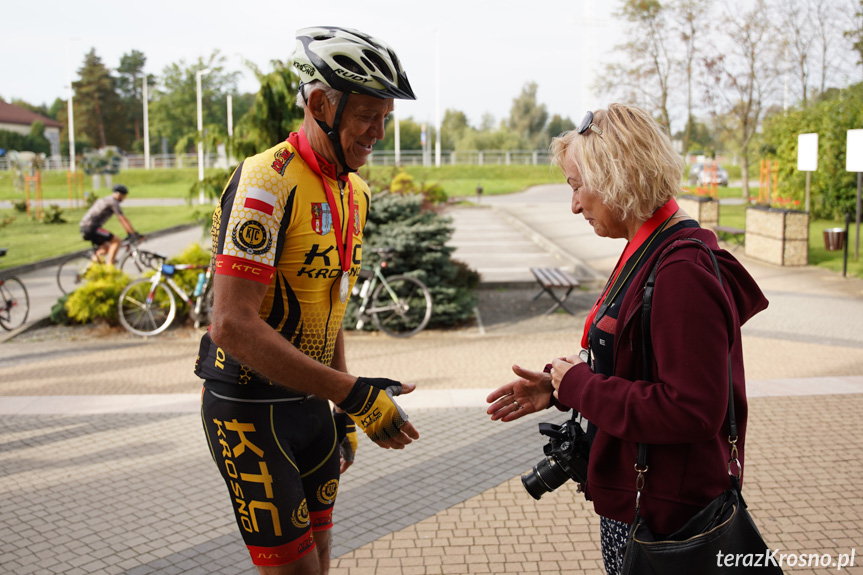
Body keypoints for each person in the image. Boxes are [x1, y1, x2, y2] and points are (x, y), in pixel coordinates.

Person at [486, 104, 768, 575]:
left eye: (577, 185)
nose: (574, 205)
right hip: (649, 503)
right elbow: (642, 362)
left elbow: (691, 409)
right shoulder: (650, 248)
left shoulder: (679, 270)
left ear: (618, 176)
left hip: (668, 520)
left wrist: (580, 387)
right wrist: (558, 385)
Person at [195, 26, 420, 575]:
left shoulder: (354, 189)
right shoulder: (265, 181)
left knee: (320, 564)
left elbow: (330, 302)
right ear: (321, 103)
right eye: (368, 114)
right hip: (249, 411)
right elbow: (230, 324)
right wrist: (355, 394)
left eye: (385, 118)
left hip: (313, 405)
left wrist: (344, 406)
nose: (379, 133)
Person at [78, 184, 141, 265]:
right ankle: (110, 267)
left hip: (86, 227)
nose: (125, 198)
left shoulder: (106, 199)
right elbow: (122, 219)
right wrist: (133, 233)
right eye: (124, 196)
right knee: (116, 241)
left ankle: (90, 267)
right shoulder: (113, 202)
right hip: (92, 227)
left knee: (105, 247)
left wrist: (130, 232)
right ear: (118, 194)